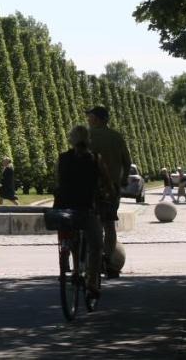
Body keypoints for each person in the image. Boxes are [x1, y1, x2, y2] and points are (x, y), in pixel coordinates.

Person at [53, 124, 104, 297]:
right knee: (96, 244)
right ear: (88, 139)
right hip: (86, 207)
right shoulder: (96, 158)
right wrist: (111, 193)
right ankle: (91, 282)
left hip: (63, 208)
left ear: (71, 139)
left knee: (71, 233)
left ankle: (73, 268)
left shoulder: (62, 158)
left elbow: (58, 180)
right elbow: (106, 181)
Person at [86, 106, 132, 278]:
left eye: (90, 117)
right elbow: (127, 162)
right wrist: (124, 178)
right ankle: (108, 261)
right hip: (111, 189)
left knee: (88, 223)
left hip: (88, 188)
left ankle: (89, 261)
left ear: (97, 119)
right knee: (109, 225)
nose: (88, 120)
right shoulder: (116, 137)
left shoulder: (87, 136)